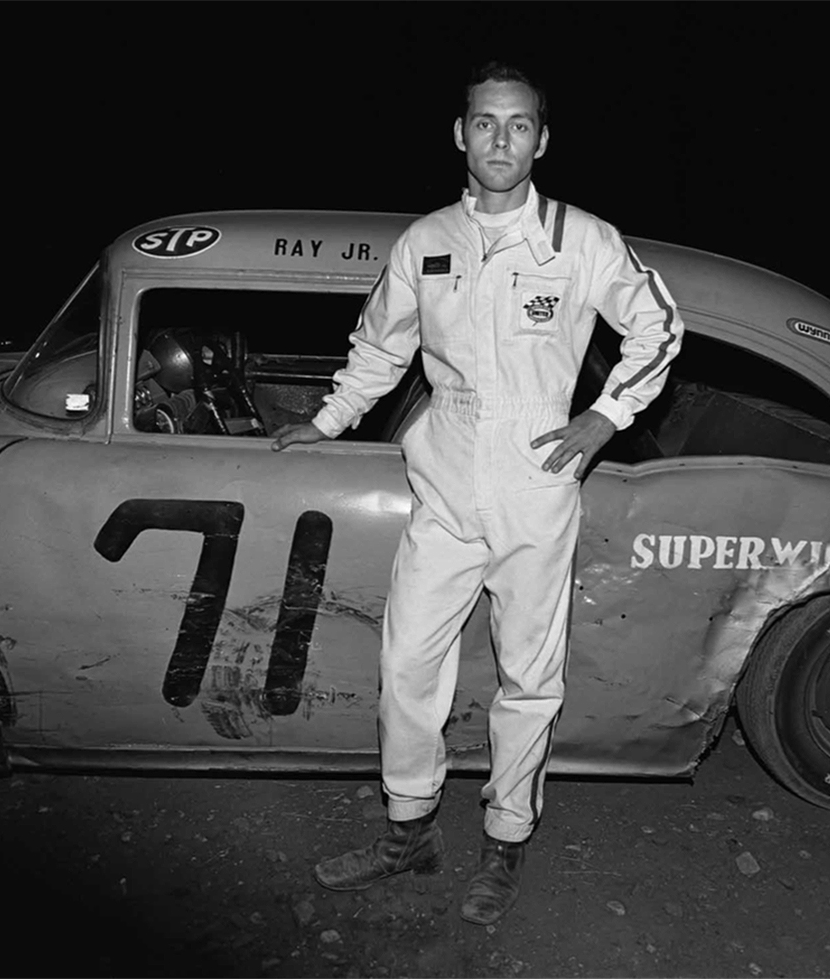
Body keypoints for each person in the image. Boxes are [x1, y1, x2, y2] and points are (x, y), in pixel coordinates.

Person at [271, 61, 684, 925]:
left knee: (528, 677)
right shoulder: (425, 240)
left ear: (543, 138)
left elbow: (660, 325)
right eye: (486, 123)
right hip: (447, 479)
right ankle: (408, 831)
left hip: (537, 485)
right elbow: (380, 347)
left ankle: (505, 841)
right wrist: (330, 419)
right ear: (460, 135)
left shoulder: (582, 239)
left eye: (520, 124)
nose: (503, 139)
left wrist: (603, 417)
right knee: (407, 660)